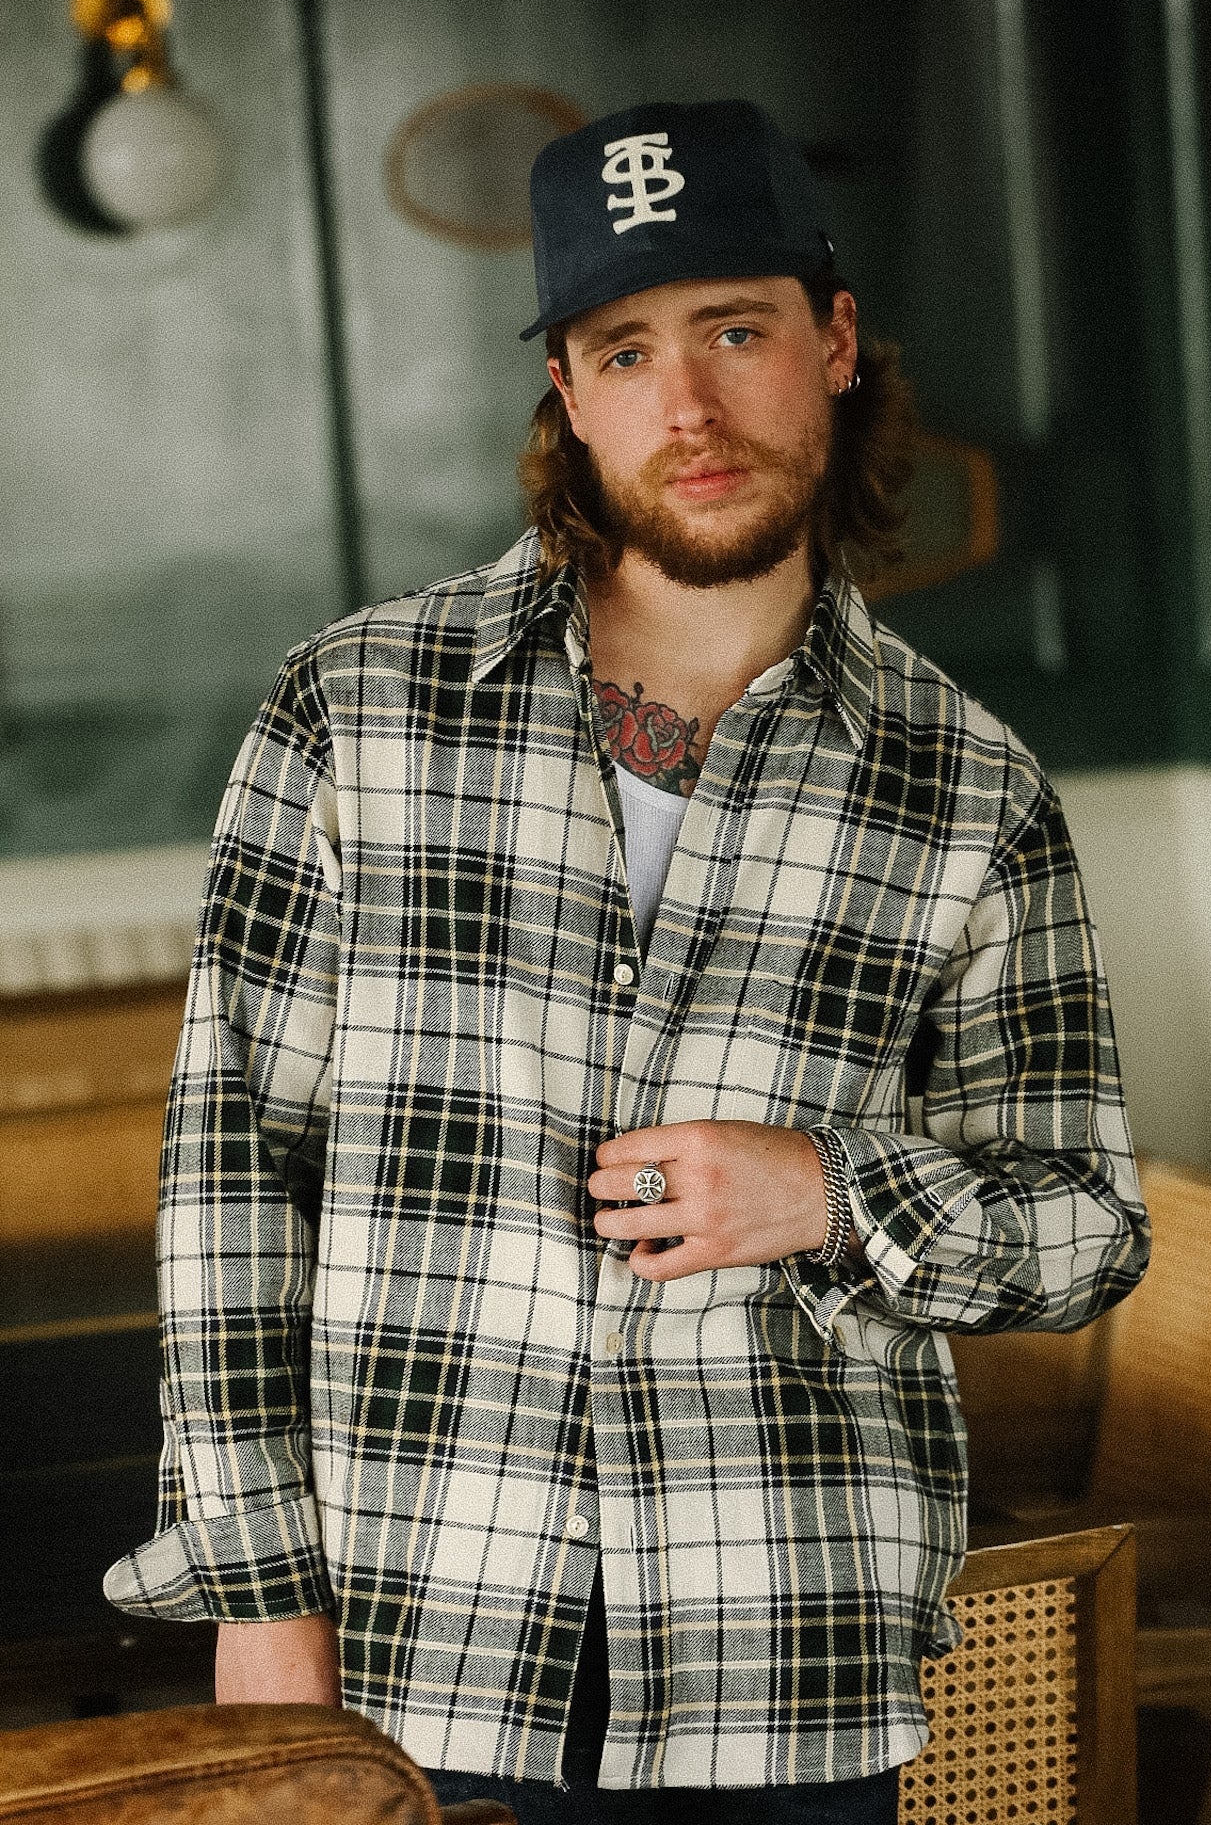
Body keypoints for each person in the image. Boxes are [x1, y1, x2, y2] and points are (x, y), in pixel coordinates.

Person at [106, 98, 1149, 1820]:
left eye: (735, 331)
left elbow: (1085, 1228)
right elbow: (231, 1181)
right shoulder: (357, 711)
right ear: (569, 394)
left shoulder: (969, 790)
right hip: (419, 1650)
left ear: (833, 343)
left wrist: (830, 1192)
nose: (689, 407)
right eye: (625, 351)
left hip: (786, 1670)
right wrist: (259, 1606)